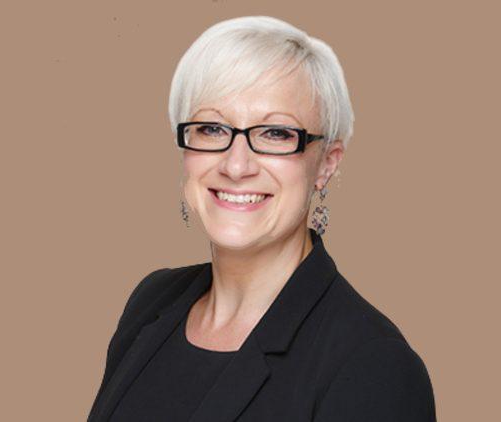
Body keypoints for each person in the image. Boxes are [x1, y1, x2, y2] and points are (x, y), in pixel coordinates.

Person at [87, 15, 436, 422]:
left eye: (276, 134)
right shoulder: (151, 302)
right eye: (212, 128)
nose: (236, 166)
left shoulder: (374, 366)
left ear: (326, 163)